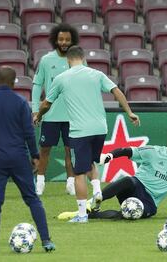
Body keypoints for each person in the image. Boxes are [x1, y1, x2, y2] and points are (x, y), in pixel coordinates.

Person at [34, 45, 140, 223]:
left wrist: (39, 115)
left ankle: (82, 214)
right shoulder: (96, 74)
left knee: (79, 173)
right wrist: (129, 112)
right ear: (83, 59)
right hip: (100, 128)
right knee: (90, 160)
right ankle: (97, 190)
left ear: (68, 60)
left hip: (79, 131)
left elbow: (46, 103)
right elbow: (117, 91)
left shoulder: (61, 78)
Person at [0, 66, 55, 253]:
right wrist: (35, 155)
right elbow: (29, 132)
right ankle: (46, 241)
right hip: (19, 158)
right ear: (14, 82)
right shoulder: (21, 102)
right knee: (32, 199)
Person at [32, 23, 101, 197]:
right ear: (55, 40)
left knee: (71, 150)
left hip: (73, 116)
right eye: (61, 39)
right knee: (45, 149)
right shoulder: (46, 60)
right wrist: (35, 109)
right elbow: (37, 84)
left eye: (67, 40)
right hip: (51, 115)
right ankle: (39, 182)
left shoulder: (79, 60)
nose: (64, 42)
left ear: (73, 41)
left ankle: (71, 183)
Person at [86, 126, 167, 220]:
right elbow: (128, 151)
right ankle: (91, 202)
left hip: (150, 202)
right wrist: (109, 155)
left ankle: (92, 215)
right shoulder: (154, 152)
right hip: (136, 187)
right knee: (128, 180)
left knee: (128, 214)